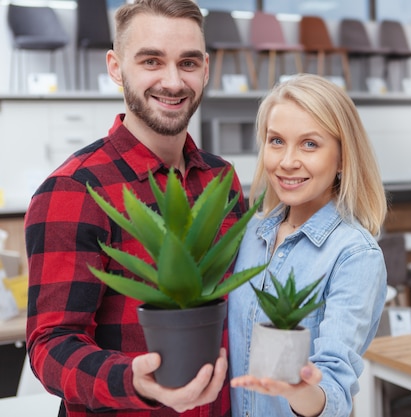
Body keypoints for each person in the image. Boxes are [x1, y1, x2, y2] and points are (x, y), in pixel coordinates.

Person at [24, 1, 242, 415]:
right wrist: (133, 380)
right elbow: (50, 345)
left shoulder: (221, 179)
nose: (174, 81)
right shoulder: (74, 189)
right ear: (116, 67)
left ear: (207, 69)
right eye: (152, 61)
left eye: (189, 63)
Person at [228, 73, 388, 417]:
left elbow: (334, 387)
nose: (287, 161)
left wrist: (298, 388)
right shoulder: (249, 237)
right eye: (276, 141)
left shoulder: (354, 255)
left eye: (310, 144)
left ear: (343, 157)